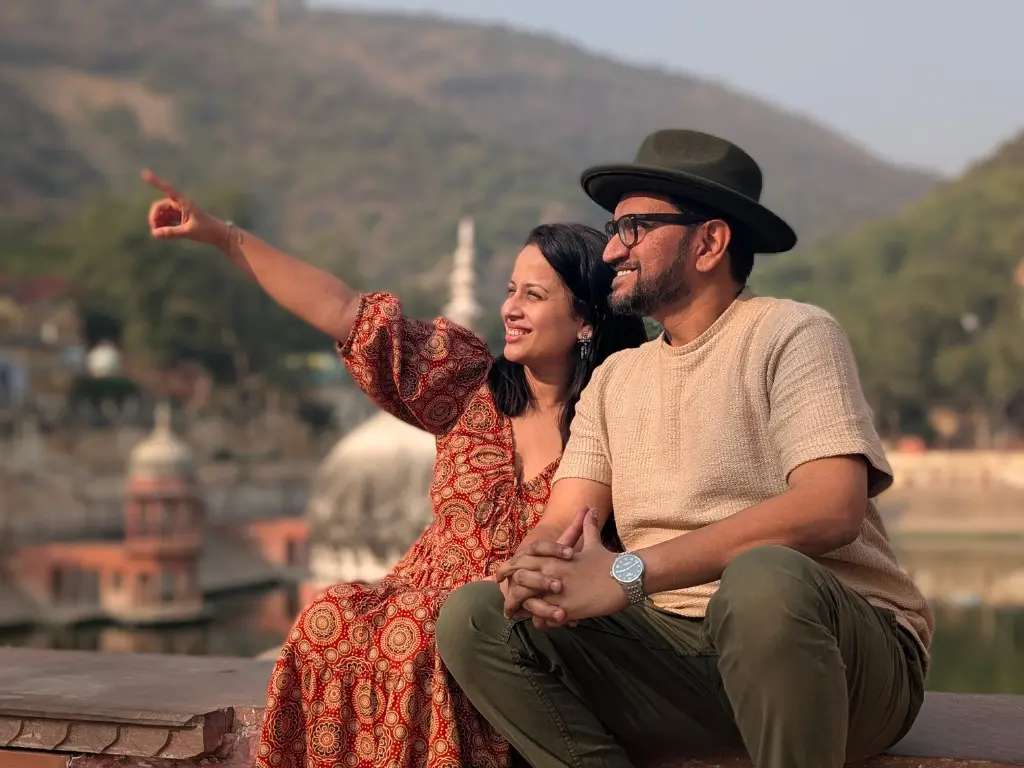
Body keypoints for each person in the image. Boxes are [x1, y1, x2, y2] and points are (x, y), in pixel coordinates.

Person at [435, 129, 934, 768]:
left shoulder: (791, 333)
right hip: (678, 658)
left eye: (635, 228)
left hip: (835, 662)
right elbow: (565, 521)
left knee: (762, 582)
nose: (612, 249)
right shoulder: (618, 377)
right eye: (612, 229)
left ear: (709, 242)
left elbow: (831, 506)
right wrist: (539, 566)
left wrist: (627, 573)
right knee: (476, 616)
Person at [141, 169, 649, 768]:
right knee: (328, 617)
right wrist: (227, 238)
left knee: (436, 640)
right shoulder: (467, 386)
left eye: (533, 297)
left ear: (587, 318)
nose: (510, 308)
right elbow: (347, 312)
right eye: (510, 290)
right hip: (419, 600)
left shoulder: (621, 414)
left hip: (529, 625)